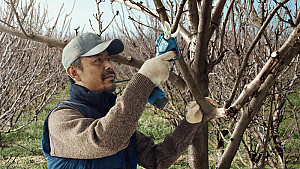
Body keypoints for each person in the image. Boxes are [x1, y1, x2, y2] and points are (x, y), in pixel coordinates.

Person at [42, 32, 221, 169]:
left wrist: (189, 123)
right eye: (98, 60)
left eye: (109, 59)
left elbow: (156, 159)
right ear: (74, 72)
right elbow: (105, 140)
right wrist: (144, 80)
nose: (109, 65)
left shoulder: (111, 116)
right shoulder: (61, 118)